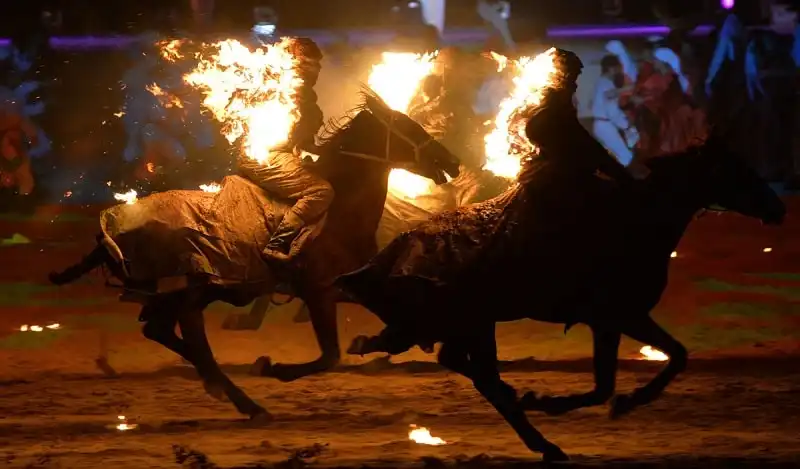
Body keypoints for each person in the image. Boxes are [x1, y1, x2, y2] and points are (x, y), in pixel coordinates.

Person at [238, 37, 333, 264]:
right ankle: (275, 245)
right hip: (264, 155)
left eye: (317, 64)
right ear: (292, 63)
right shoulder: (275, 87)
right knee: (320, 191)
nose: (315, 69)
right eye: (308, 63)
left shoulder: (311, 105)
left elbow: (306, 146)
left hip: (284, 155)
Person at [527, 50, 636, 188]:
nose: (575, 85)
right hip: (564, 182)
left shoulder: (556, 113)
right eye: (572, 77)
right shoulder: (553, 117)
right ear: (562, 77)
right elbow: (591, 150)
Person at [590, 55, 637, 166]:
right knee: (626, 156)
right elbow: (609, 95)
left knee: (614, 157)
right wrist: (629, 88)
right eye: (617, 68)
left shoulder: (602, 82)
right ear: (611, 68)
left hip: (601, 124)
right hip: (604, 125)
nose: (618, 71)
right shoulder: (605, 82)